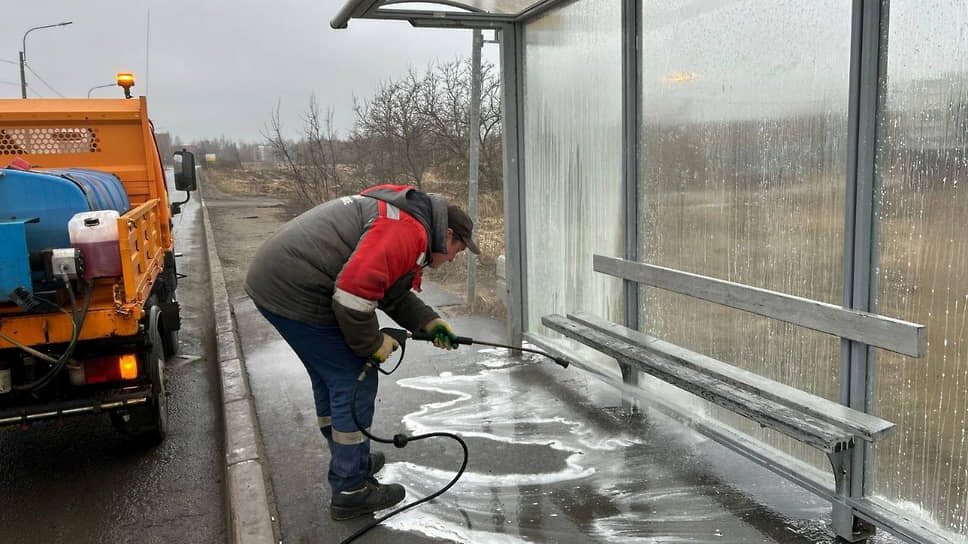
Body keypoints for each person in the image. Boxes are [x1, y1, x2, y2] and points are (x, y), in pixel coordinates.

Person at [244, 184, 480, 520]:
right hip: (294, 289)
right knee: (352, 377)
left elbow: (391, 291)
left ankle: (350, 460)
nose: (455, 257)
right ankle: (350, 488)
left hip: (284, 281)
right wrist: (373, 345)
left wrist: (430, 323)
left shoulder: (411, 224)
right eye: (458, 249)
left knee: (333, 376)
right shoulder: (407, 232)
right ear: (449, 234)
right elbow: (353, 297)